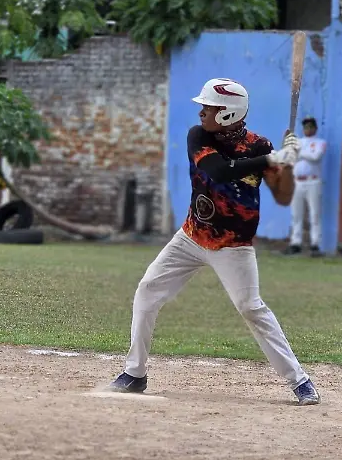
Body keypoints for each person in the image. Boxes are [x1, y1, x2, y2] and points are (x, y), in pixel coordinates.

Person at [108, 77, 321, 405]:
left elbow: (283, 195)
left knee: (251, 307)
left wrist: (288, 162)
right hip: (191, 238)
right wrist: (272, 160)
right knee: (148, 290)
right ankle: (135, 373)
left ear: (228, 113)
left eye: (209, 107)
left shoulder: (259, 146)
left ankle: (300, 381)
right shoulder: (199, 137)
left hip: (234, 246)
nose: (202, 112)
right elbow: (219, 171)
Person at [284, 116, 325, 257]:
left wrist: (300, 153)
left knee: (314, 214)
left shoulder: (320, 142)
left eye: (310, 126)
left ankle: (315, 244)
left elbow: (316, 157)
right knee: (296, 214)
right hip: (297, 181)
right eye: (305, 127)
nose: (307, 129)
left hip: (313, 181)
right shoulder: (298, 141)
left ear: (315, 128)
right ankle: (296, 243)